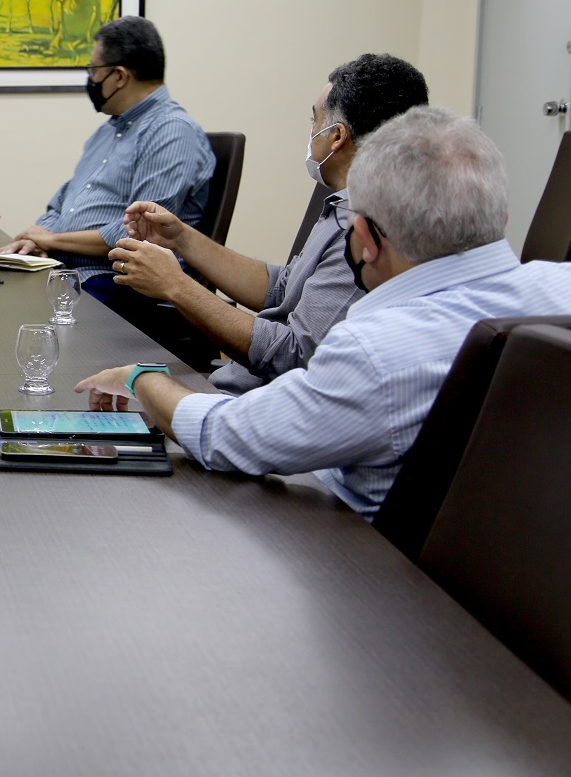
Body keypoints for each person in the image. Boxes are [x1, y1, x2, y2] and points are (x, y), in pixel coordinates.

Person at [74, 105, 571, 519]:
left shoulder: (375, 351)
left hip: (364, 571)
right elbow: (283, 289)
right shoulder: (563, 289)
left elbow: (225, 436)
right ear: (500, 217)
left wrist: (141, 379)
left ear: (365, 239)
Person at [110, 54, 429, 394]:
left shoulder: (366, 228)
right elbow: (283, 289)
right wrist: (182, 238)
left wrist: (175, 284)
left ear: (337, 137)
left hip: (252, 405)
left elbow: (294, 356)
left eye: (314, 120)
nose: (310, 133)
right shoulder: (344, 204)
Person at [0, 17, 214, 356]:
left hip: (121, 283)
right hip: (73, 272)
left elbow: (139, 232)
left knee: (16, 324)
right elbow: (62, 206)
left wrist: (51, 240)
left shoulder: (172, 131)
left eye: (93, 69)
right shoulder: (106, 133)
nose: (90, 79)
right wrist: (33, 240)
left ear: (119, 76)